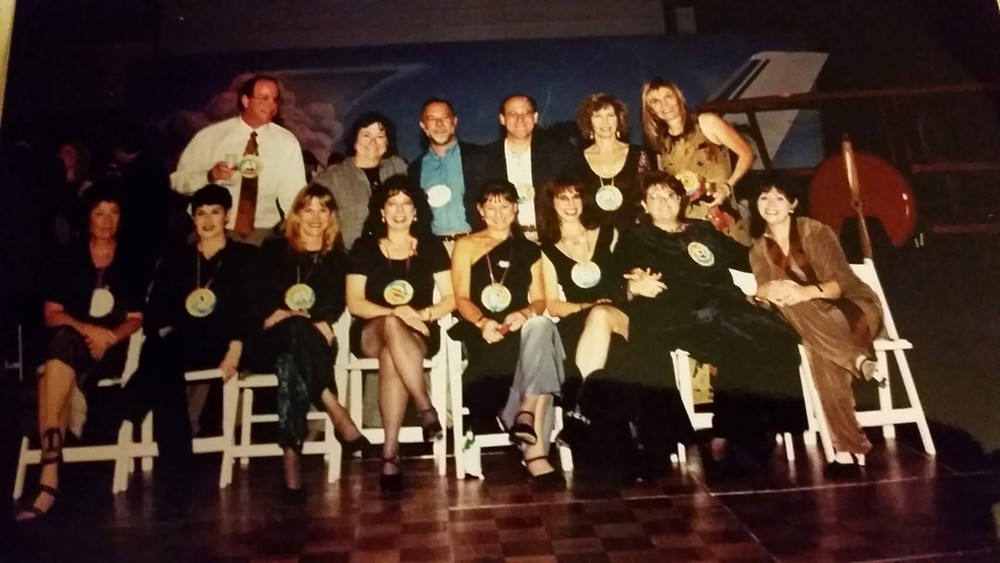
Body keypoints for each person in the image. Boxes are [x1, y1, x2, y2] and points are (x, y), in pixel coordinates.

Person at [614, 170, 805, 476]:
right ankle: (734, 437)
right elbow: (616, 277)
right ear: (644, 204)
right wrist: (632, 286)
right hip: (678, 313)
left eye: (669, 195)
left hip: (726, 307)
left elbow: (747, 258)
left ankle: (752, 431)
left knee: (777, 333)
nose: (663, 202)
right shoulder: (636, 237)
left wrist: (783, 251)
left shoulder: (702, 230)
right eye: (654, 196)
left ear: (681, 200)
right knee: (741, 339)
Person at [16, 185, 146, 521]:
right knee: (62, 344)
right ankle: (49, 478)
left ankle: (48, 482)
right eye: (99, 213)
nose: (106, 220)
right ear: (87, 218)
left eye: (113, 212)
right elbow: (52, 313)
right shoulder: (66, 258)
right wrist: (89, 330)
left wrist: (110, 336)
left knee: (51, 370)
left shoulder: (131, 259)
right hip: (74, 343)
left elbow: (135, 318)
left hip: (113, 349)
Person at [124, 184, 258, 501]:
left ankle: (129, 402)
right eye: (201, 213)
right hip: (181, 342)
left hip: (222, 341)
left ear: (227, 216)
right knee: (163, 361)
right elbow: (156, 310)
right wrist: (166, 331)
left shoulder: (245, 258)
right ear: (193, 219)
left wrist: (235, 349)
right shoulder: (178, 259)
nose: (208, 220)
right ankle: (176, 475)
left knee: (159, 364)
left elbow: (250, 310)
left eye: (215, 212)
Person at [750, 183, 884, 475]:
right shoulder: (759, 248)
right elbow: (763, 288)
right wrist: (770, 290)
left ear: (793, 204)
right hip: (812, 320)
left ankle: (848, 448)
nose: (770, 204)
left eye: (779, 198)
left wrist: (803, 291)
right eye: (763, 197)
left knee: (816, 341)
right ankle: (856, 360)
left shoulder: (814, 231)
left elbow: (840, 284)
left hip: (854, 308)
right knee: (789, 306)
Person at [248, 184, 366, 503]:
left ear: (331, 217)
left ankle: (291, 459)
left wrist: (303, 317)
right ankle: (329, 400)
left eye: (322, 210)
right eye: (308, 209)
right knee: (294, 333)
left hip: (314, 342)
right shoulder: (273, 250)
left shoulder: (338, 258)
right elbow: (258, 297)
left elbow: (334, 305)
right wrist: (291, 315)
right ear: (296, 215)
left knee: (291, 361)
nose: (315, 217)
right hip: (269, 341)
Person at [449, 180, 565, 488]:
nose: (498, 213)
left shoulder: (529, 249)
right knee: (543, 361)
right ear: (480, 210)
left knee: (541, 326)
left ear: (516, 209)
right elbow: (461, 297)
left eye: (505, 205)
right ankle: (536, 456)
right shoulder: (466, 244)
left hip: (518, 329)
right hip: (482, 330)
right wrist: (482, 322)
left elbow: (539, 301)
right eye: (491, 206)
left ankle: (524, 413)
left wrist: (524, 313)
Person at [346, 176, 454, 494]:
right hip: (371, 331)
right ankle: (424, 405)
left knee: (392, 352)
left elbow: (450, 297)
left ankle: (390, 454)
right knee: (392, 326)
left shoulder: (430, 247)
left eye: (407, 203)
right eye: (392, 203)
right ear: (381, 211)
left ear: (416, 211)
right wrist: (396, 313)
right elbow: (355, 302)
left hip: (416, 332)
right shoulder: (364, 247)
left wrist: (423, 314)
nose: (399, 210)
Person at [171, 75, 307, 245]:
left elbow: (294, 196)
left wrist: (298, 235)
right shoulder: (211, 137)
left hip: (262, 235)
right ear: (245, 100)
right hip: (211, 231)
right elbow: (178, 182)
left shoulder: (286, 142)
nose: (271, 105)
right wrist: (209, 176)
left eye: (275, 99)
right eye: (264, 98)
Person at [641, 78, 755, 245]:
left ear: (679, 97)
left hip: (721, 219)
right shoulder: (661, 141)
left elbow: (747, 154)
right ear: (650, 109)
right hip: (687, 225)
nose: (664, 104)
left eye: (668, 96)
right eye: (655, 101)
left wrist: (727, 187)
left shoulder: (707, 122)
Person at [313, 112, 408, 250]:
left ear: (387, 142)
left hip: (396, 253)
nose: (373, 142)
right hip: (350, 256)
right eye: (366, 135)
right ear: (355, 141)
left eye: (380, 137)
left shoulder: (398, 168)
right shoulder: (331, 178)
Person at [481, 94, 570, 235]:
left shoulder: (558, 153)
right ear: (502, 119)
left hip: (550, 237)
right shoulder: (485, 157)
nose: (520, 119)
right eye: (512, 114)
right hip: (506, 239)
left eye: (526, 113)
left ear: (535, 117)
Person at [564, 93, 652, 232]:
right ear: (589, 122)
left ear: (619, 119)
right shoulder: (575, 160)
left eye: (610, 115)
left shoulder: (639, 155)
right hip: (590, 237)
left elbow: (650, 197)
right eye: (597, 116)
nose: (605, 122)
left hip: (635, 236)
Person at [408, 98, 484, 242]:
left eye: (445, 117)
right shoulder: (415, 169)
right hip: (435, 248)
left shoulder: (480, 156)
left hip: (476, 244)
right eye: (432, 119)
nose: (439, 124)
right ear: (423, 126)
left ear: (454, 122)